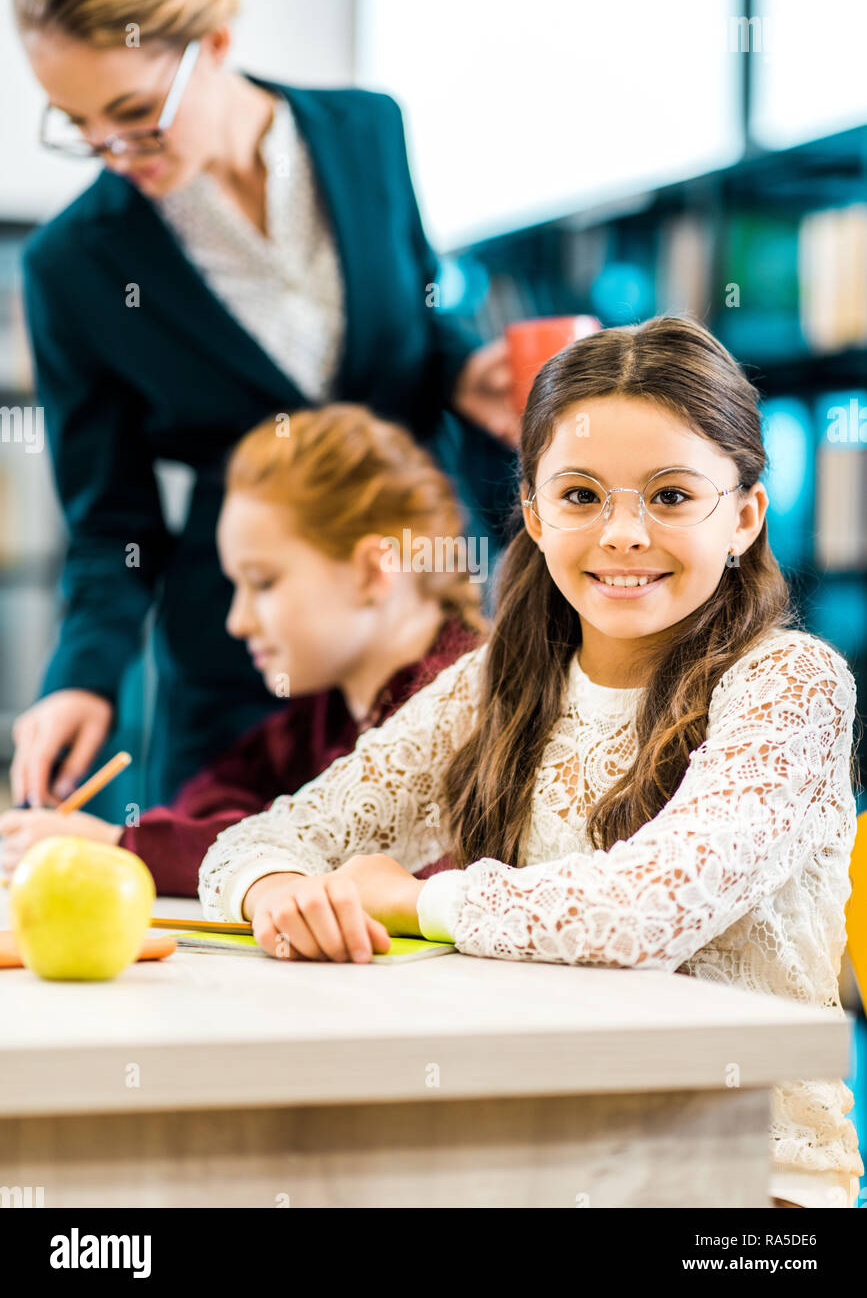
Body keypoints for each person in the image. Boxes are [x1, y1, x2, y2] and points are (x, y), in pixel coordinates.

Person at [196, 316, 863, 1210]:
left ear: (743, 516)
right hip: (547, 1151)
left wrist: (412, 898)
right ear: (535, 513)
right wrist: (275, 886)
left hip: (748, 1185)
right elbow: (267, 837)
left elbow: (644, 912)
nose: (622, 534)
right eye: (581, 496)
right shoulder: (495, 684)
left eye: (670, 497)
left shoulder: (791, 685)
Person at [9, 0, 517, 813]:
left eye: (132, 115)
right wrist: (83, 678)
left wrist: (461, 370)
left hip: (411, 609)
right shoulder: (73, 267)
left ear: (214, 41)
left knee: (436, 888)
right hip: (241, 648)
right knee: (217, 895)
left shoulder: (364, 133)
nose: (111, 153)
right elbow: (109, 524)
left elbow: (411, 312)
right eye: (78, 126)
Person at [0, 404, 487, 893]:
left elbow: (337, 854)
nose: (237, 622)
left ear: (371, 572)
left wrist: (114, 843)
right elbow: (212, 806)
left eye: (263, 582)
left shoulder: (465, 703)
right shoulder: (325, 712)